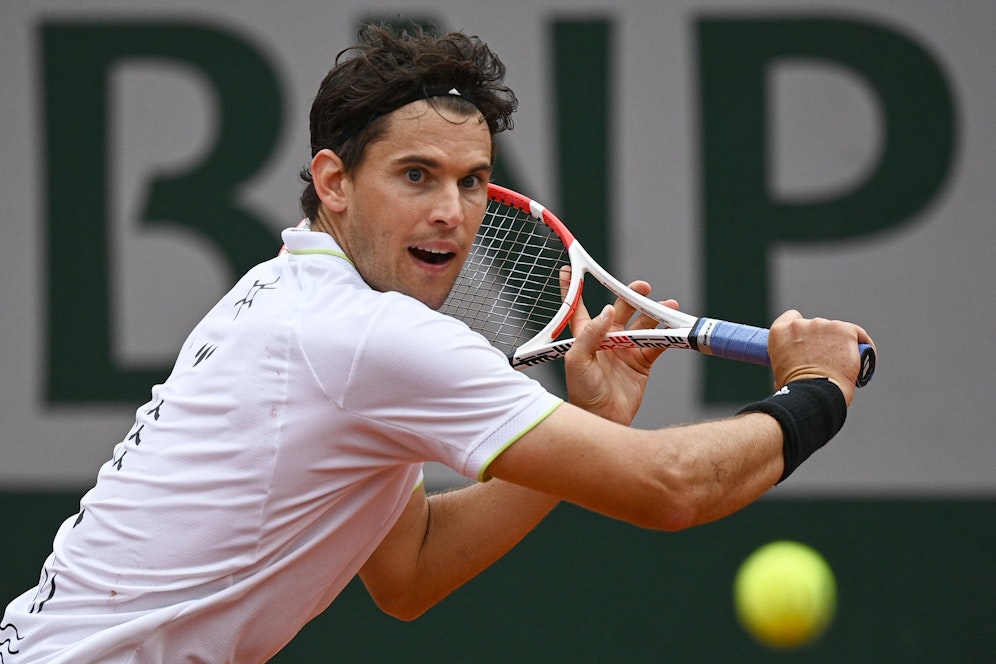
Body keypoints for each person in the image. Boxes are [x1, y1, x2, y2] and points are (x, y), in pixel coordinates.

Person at [2, 24, 874, 663]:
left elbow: (409, 573)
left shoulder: (284, 290)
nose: (452, 213)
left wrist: (583, 414)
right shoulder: (367, 337)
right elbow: (672, 490)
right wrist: (815, 393)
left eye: (473, 181)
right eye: (416, 176)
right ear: (333, 182)